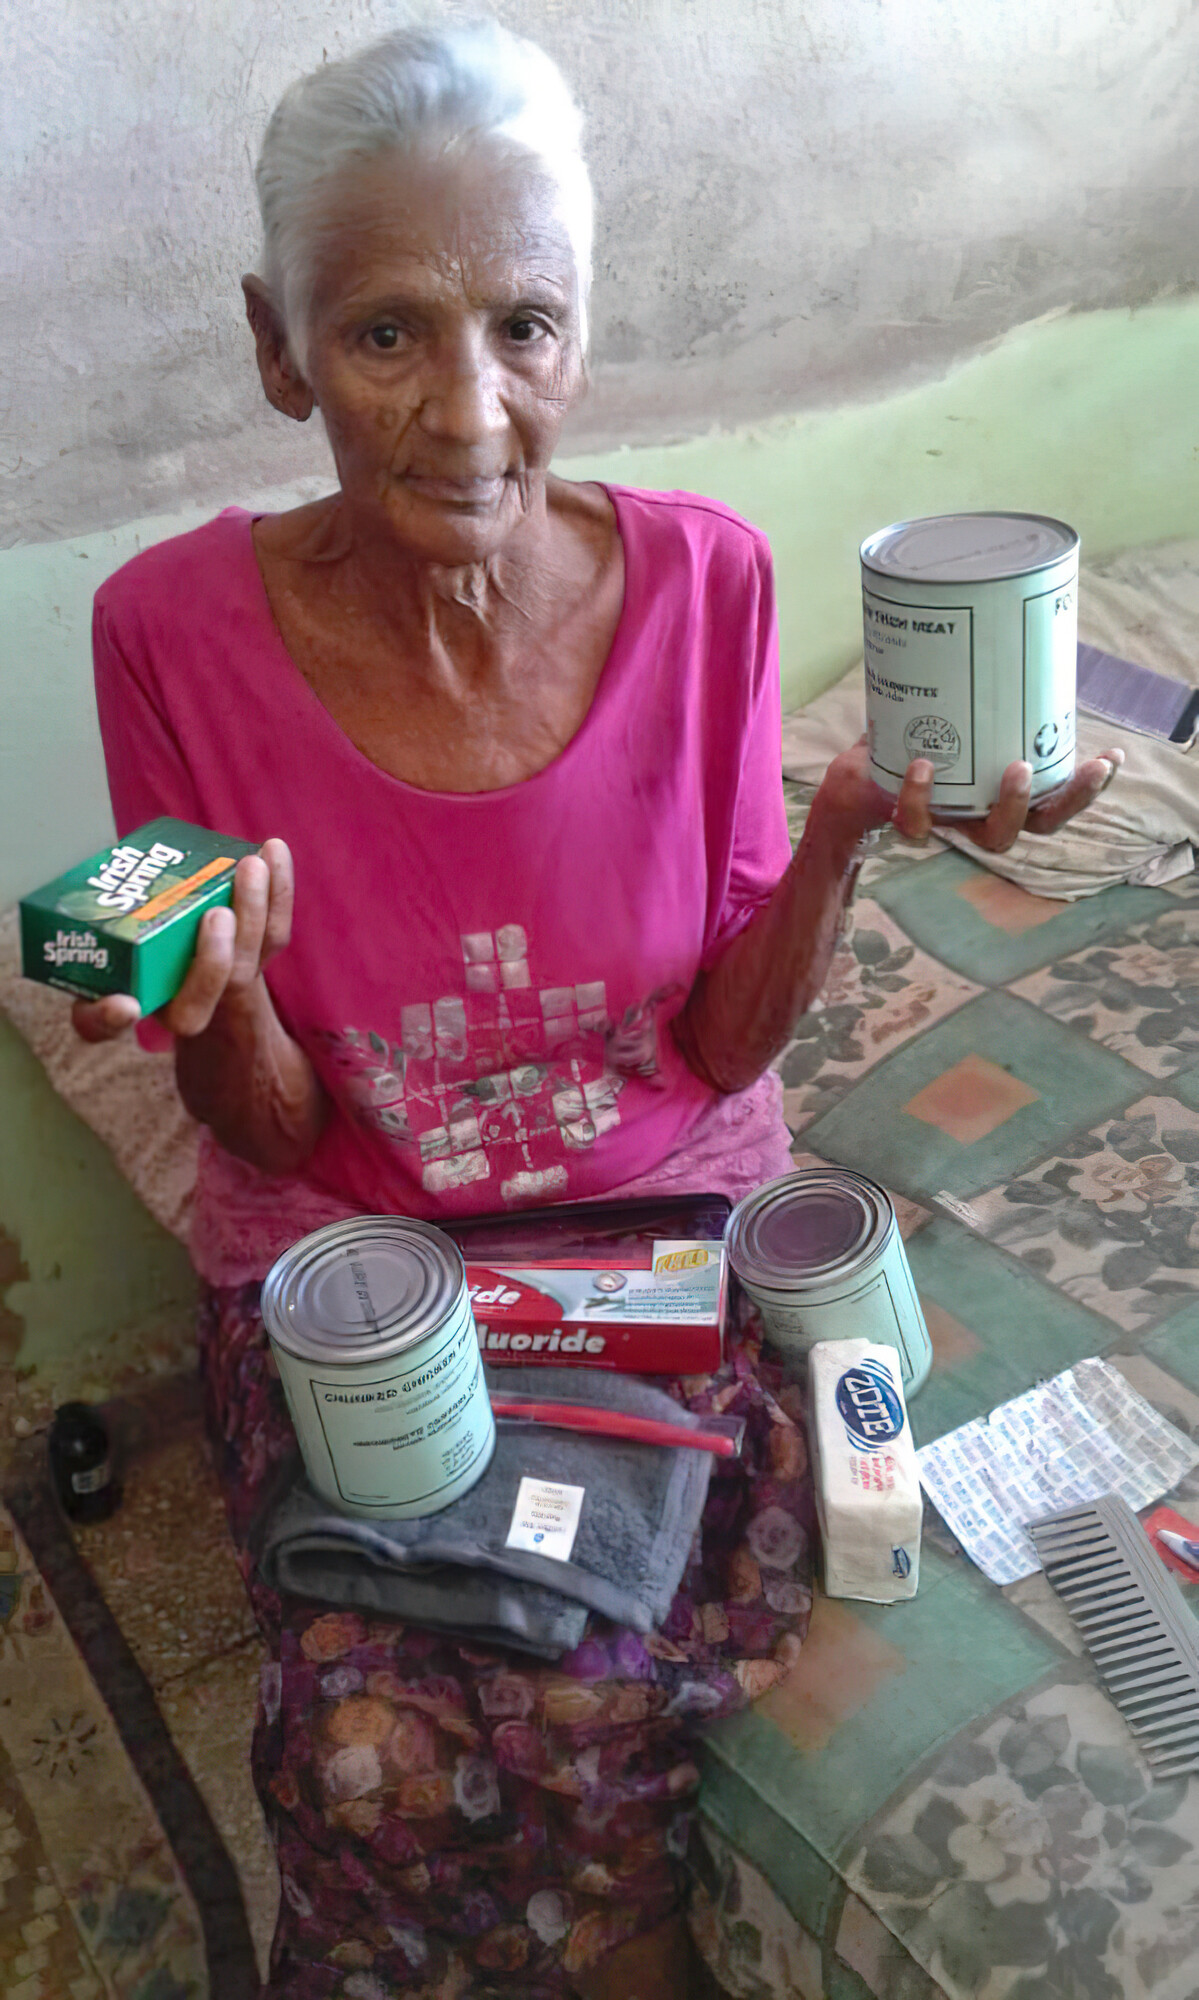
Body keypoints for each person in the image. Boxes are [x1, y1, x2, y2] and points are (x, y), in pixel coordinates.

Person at [74, 23, 1122, 1996]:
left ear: (582, 332)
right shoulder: (167, 633)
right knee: (369, 1732)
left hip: (658, 1230)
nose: (470, 409)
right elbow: (279, 1135)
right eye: (386, 335)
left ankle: (630, 1940)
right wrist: (219, 1002)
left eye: (525, 327)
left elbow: (720, 1057)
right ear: (276, 347)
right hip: (353, 1252)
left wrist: (834, 836)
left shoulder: (714, 585)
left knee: (613, 1629)